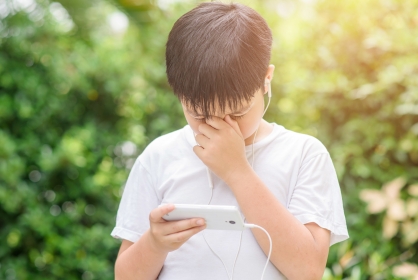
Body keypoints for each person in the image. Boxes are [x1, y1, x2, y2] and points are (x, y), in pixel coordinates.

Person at [111, 2, 349, 280]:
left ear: (266, 80)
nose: (220, 126)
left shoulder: (303, 154)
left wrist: (237, 171)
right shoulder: (159, 156)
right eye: (199, 114)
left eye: (237, 113)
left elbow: (308, 271)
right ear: (178, 95)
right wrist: (154, 243)